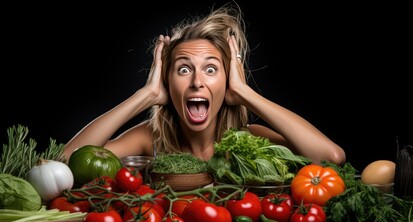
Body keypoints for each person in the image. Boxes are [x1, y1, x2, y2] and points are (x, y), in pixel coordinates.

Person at [62, 2, 346, 166]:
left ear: (227, 81)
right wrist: (146, 94)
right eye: (184, 69)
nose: (197, 82)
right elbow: (65, 162)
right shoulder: (150, 140)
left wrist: (245, 93)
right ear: (168, 82)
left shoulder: (252, 139)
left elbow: (331, 158)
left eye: (211, 69)